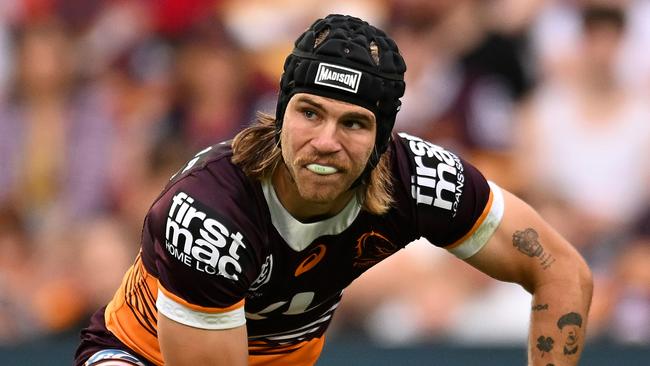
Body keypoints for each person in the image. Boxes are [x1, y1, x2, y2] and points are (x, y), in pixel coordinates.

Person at [74, 14, 593, 366]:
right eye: (309, 113)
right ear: (280, 115)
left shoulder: (422, 180)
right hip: (140, 354)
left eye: (353, 124)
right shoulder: (210, 213)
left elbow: (562, 273)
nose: (326, 142)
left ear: (383, 138)